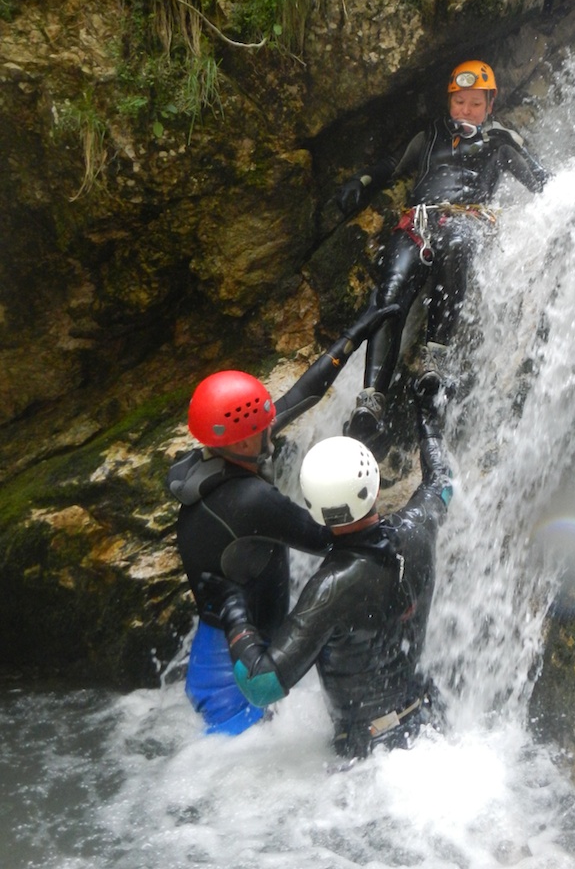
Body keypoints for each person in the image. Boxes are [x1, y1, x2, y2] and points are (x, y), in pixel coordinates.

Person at [167, 304, 395, 735]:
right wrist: (361, 464)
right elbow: (333, 538)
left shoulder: (218, 459)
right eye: (263, 424)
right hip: (234, 682)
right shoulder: (250, 499)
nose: (271, 426)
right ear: (245, 438)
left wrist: (355, 335)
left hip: (225, 652)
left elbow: (301, 396)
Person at [198, 386, 453, 759]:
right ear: (375, 487)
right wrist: (428, 421)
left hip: (369, 753)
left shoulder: (329, 589)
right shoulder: (420, 526)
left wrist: (233, 611)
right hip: (430, 721)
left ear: (313, 508)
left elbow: (261, 685)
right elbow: (441, 484)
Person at [336, 59, 549, 448]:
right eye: (459, 102)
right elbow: (391, 165)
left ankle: (435, 361)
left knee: (456, 246)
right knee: (390, 293)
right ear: (449, 101)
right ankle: (370, 403)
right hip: (417, 223)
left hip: (466, 222)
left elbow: (541, 180)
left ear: (490, 104)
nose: (465, 110)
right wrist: (360, 181)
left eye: (475, 104)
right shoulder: (430, 135)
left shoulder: (500, 140)